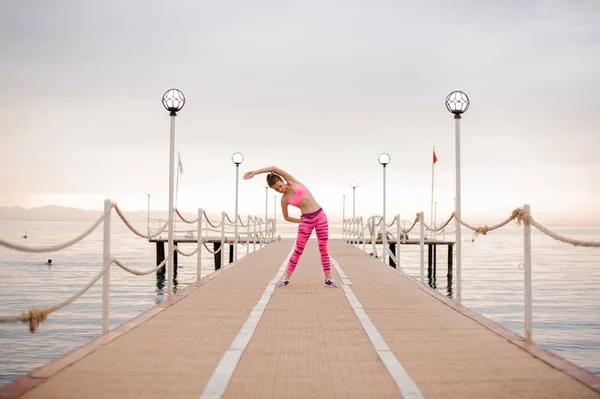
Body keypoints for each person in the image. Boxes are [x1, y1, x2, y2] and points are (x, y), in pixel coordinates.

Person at [243, 166, 338, 288]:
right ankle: (286, 279)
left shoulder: (292, 181)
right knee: (298, 250)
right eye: (276, 189)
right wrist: (300, 220)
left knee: (323, 249)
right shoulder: (284, 200)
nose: (280, 189)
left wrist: (255, 172)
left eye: (280, 186)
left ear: (282, 180)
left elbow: (273, 168)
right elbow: (286, 217)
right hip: (306, 221)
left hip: (320, 216)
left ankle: (328, 279)